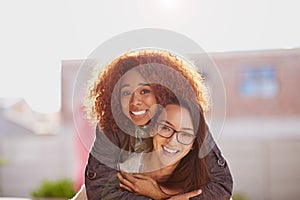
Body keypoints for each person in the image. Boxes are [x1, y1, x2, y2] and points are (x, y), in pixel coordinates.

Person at [84, 49, 233, 199]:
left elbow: (221, 185)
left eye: (144, 91)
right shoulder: (111, 126)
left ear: (163, 91)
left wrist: (159, 194)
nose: (134, 102)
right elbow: (99, 191)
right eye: (126, 93)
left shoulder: (185, 119)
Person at [117, 97, 209, 199]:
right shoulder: (125, 172)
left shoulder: (204, 183)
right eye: (166, 128)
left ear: (193, 144)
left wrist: (159, 194)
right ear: (152, 129)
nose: (172, 141)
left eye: (186, 134)